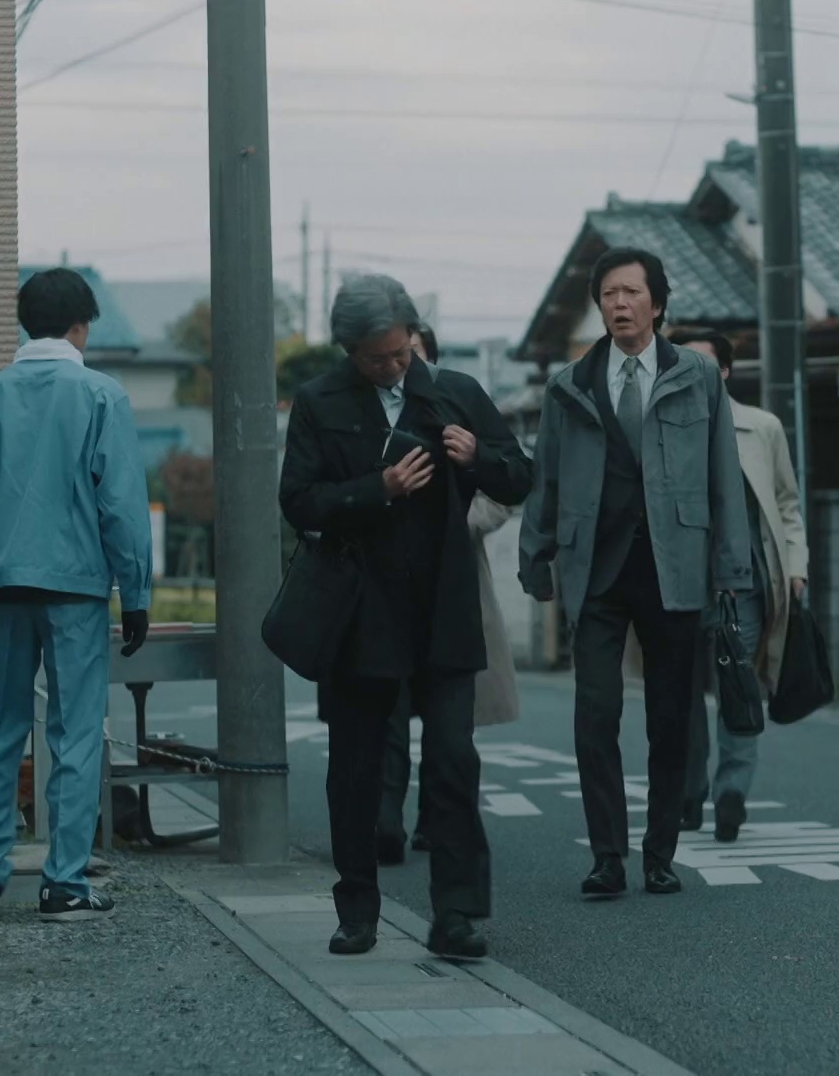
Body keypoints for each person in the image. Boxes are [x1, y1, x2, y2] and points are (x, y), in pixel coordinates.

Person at [281, 274, 531, 959]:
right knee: (356, 769)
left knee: (453, 761)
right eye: (377, 359)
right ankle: (357, 910)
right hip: (359, 613)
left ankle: (457, 913)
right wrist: (378, 489)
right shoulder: (319, 402)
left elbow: (519, 474)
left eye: (400, 353)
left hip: (444, 607)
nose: (393, 367)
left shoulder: (454, 393)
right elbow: (298, 500)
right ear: (349, 350)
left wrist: (479, 458)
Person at [519, 247, 751, 899]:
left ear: (658, 303)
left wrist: (731, 568)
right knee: (594, 714)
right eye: (608, 295)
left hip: (675, 565)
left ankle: (660, 853)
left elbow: (724, 477)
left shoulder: (697, 377)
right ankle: (606, 856)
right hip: (595, 567)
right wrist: (534, 555)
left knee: (670, 717)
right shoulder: (569, 384)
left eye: (631, 292)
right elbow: (547, 476)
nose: (619, 304)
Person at [0, 267, 152, 923]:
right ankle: (64, 883)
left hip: (3, 590)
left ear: (24, 322)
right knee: (75, 732)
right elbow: (121, 504)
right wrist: (135, 592)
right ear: (81, 326)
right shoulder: (101, 395)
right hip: (76, 591)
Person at [376, 326, 523, 865]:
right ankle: (385, 822)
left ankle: (438, 821)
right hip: (384, 586)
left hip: (454, 581)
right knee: (388, 714)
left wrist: (459, 517)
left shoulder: (458, 402)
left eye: (411, 354)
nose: (400, 364)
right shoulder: (363, 408)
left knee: (450, 724)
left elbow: (509, 483)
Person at [668, 329, 807, 843]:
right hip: (679, 582)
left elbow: (787, 502)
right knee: (680, 695)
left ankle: (731, 793)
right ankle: (687, 792)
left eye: (703, 364)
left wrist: (796, 565)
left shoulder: (761, 427)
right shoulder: (658, 426)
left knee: (738, 689)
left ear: (724, 371)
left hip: (742, 583)